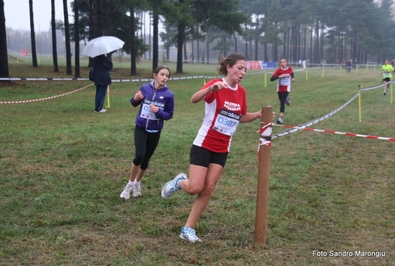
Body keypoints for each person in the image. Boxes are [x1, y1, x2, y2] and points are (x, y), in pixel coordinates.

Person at [160, 53, 266, 243]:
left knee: (207, 189)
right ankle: (179, 182)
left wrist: (259, 114)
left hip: (223, 147)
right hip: (204, 144)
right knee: (194, 187)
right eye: (240, 68)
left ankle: (187, 229)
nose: (243, 72)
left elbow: (240, 117)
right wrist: (210, 89)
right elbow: (194, 99)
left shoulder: (241, 92)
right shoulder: (217, 84)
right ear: (229, 67)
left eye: (245, 70)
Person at [120, 66, 174, 200]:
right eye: (162, 74)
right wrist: (136, 98)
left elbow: (169, 115)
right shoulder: (145, 88)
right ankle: (129, 185)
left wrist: (158, 111)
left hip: (155, 130)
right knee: (139, 156)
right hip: (141, 128)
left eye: (167, 76)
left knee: (145, 160)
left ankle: (138, 183)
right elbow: (133, 103)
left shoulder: (169, 95)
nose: (164, 78)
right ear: (154, 75)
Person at [270, 58, 295, 124]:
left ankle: (281, 118)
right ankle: (287, 99)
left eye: (284, 62)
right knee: (281, 100)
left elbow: (292, 73)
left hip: (287, 88)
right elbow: (271, 79)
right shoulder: (279, 70)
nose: (282, 63)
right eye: (281, 62)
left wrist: (293, 78)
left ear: (286, 63)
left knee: (282, 102)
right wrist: (279, 76)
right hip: (279, 88)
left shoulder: (289, 69)